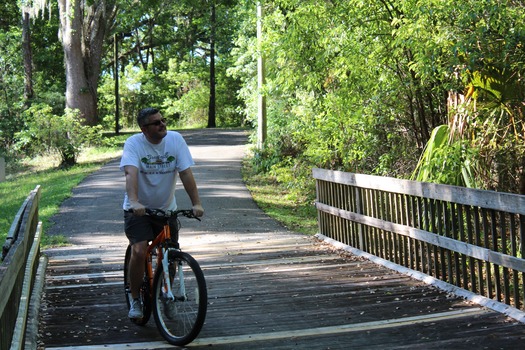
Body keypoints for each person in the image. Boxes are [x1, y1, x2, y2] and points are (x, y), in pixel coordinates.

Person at [120, 107, 204, 319]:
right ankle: (136, 298)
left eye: (163, 120)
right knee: (139, 251)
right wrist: (134, 201)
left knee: (170, 256)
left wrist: (196, 203)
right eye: (156, 123)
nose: (162, 124)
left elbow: (185, 172)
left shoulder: (175, 140)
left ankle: (166, 293)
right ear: (144, 129)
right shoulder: (134, 144)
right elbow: (131, 173)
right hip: (138, 210)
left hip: (167, 210)